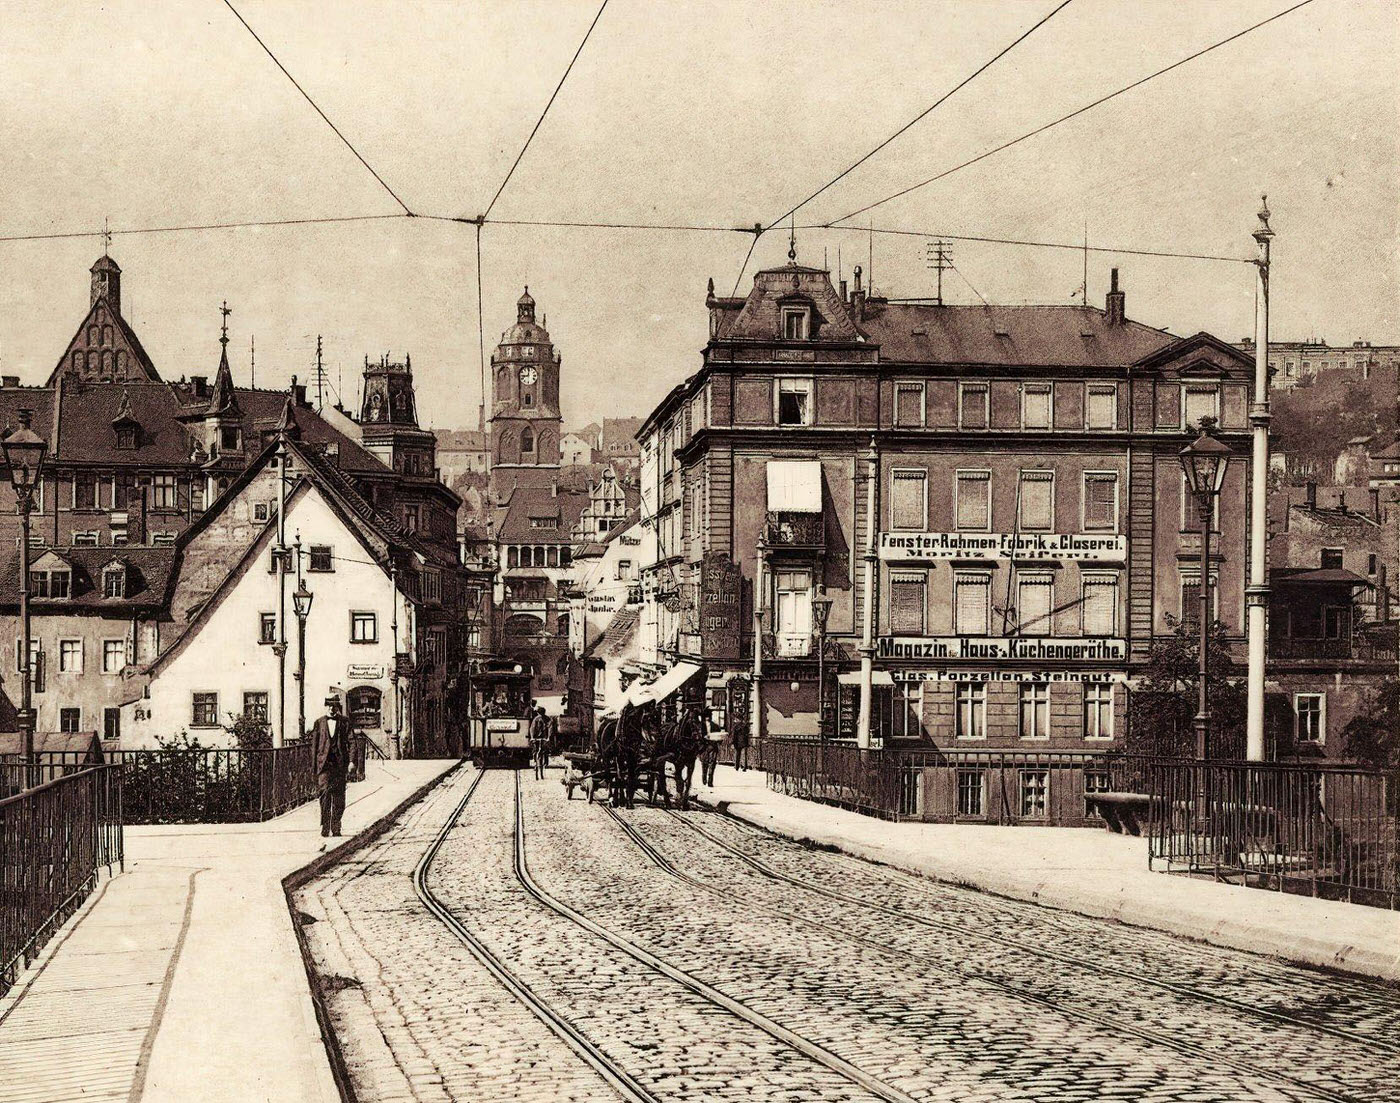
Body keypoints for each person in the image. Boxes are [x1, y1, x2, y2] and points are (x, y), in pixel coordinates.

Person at [312, 694, 351, 838]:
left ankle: (336, 826)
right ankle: (325, 825)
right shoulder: (319, 723)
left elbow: (352, 741)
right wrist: (314, 767)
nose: (331, 708)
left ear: (338, 707)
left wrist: (352, 761)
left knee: (339, 797)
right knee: (324, 795)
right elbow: (314, 747)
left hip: (339, 765)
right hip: (324, 765)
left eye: (334, 705)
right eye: (329, 705)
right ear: (325, 707)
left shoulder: (345, 722)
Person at [529, 704, 551, 780]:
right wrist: (532, 737)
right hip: (537, 738)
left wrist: (548, 737)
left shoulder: (547, 719)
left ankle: (545, 762)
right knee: (535, 750)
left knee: (545, 751)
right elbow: (532, 729)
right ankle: (535, 761)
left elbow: (550, 728)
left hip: (544, 738)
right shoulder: (536, 719)